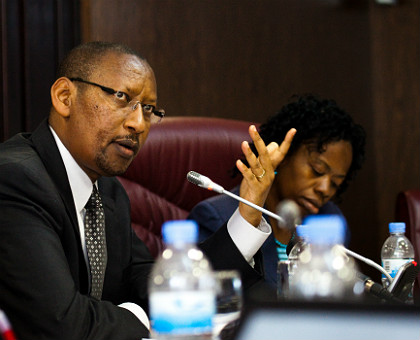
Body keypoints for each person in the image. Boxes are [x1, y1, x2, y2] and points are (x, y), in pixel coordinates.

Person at [0, 41, 295, 340]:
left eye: (149, 109)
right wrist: (145, 315)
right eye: (121, 97)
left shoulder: (107, 191)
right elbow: (62, 323)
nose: (139, 123)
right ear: (65, 97)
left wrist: (245, 215)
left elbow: (160, 286)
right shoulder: (14, 179)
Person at [188, 94, 366, 286]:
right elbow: (199, 292)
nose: (325, 189)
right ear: (284, 155)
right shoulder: (215, 216)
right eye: (317, 170)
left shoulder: (329, 220)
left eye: (335, 184)